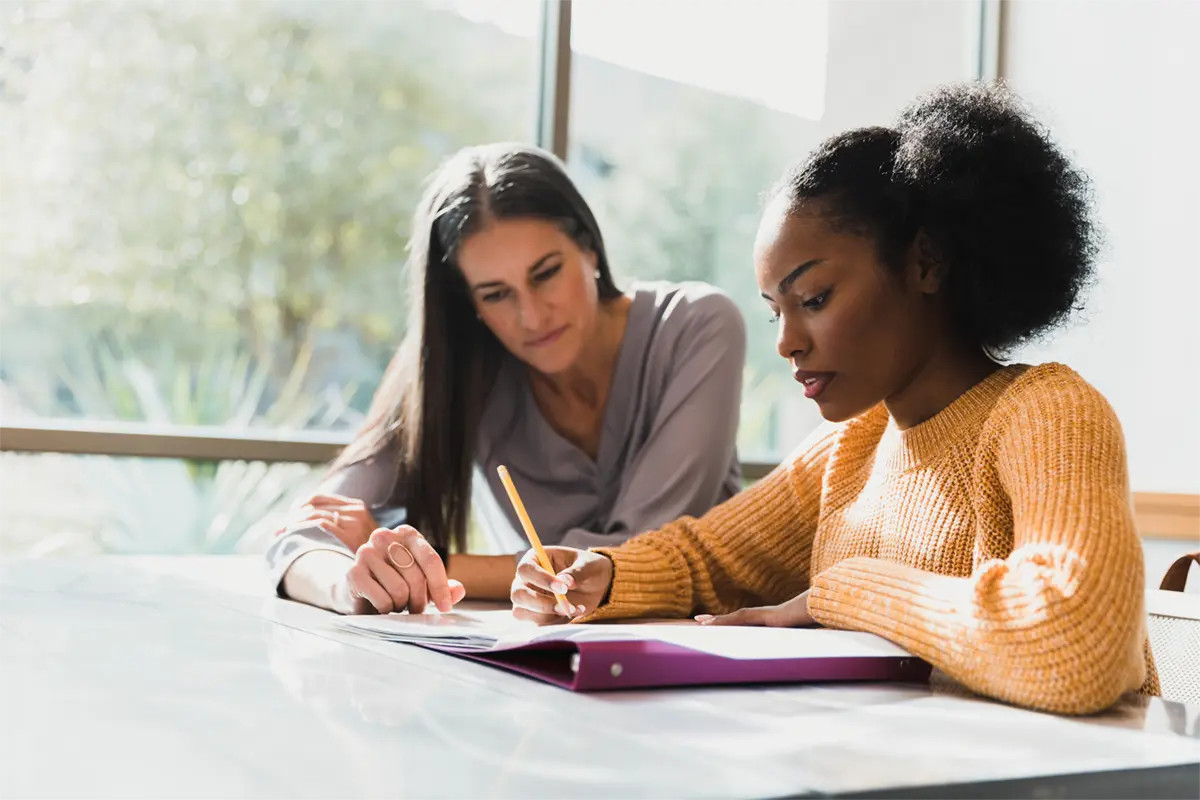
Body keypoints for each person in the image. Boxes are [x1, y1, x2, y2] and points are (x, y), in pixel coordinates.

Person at [510, 83, 1158, 716]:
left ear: (926, 262)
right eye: (775, 314)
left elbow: (1074, 641)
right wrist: (602, 572)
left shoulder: (1047, 411)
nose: (788, 343)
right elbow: (705, 559)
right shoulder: (851, 448)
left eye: (814, 299)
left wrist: (835, 594)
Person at [268, 143, 746, 615]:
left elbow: (636, 555)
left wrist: (430, 564)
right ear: (469, 304)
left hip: (708, 650)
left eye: (546, 273)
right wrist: (355, 584)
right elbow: (307, 535)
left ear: (589, 246)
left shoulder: (698, 326)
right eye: (496, 294)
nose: (533, 317)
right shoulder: (454, 365)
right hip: (533, 663)